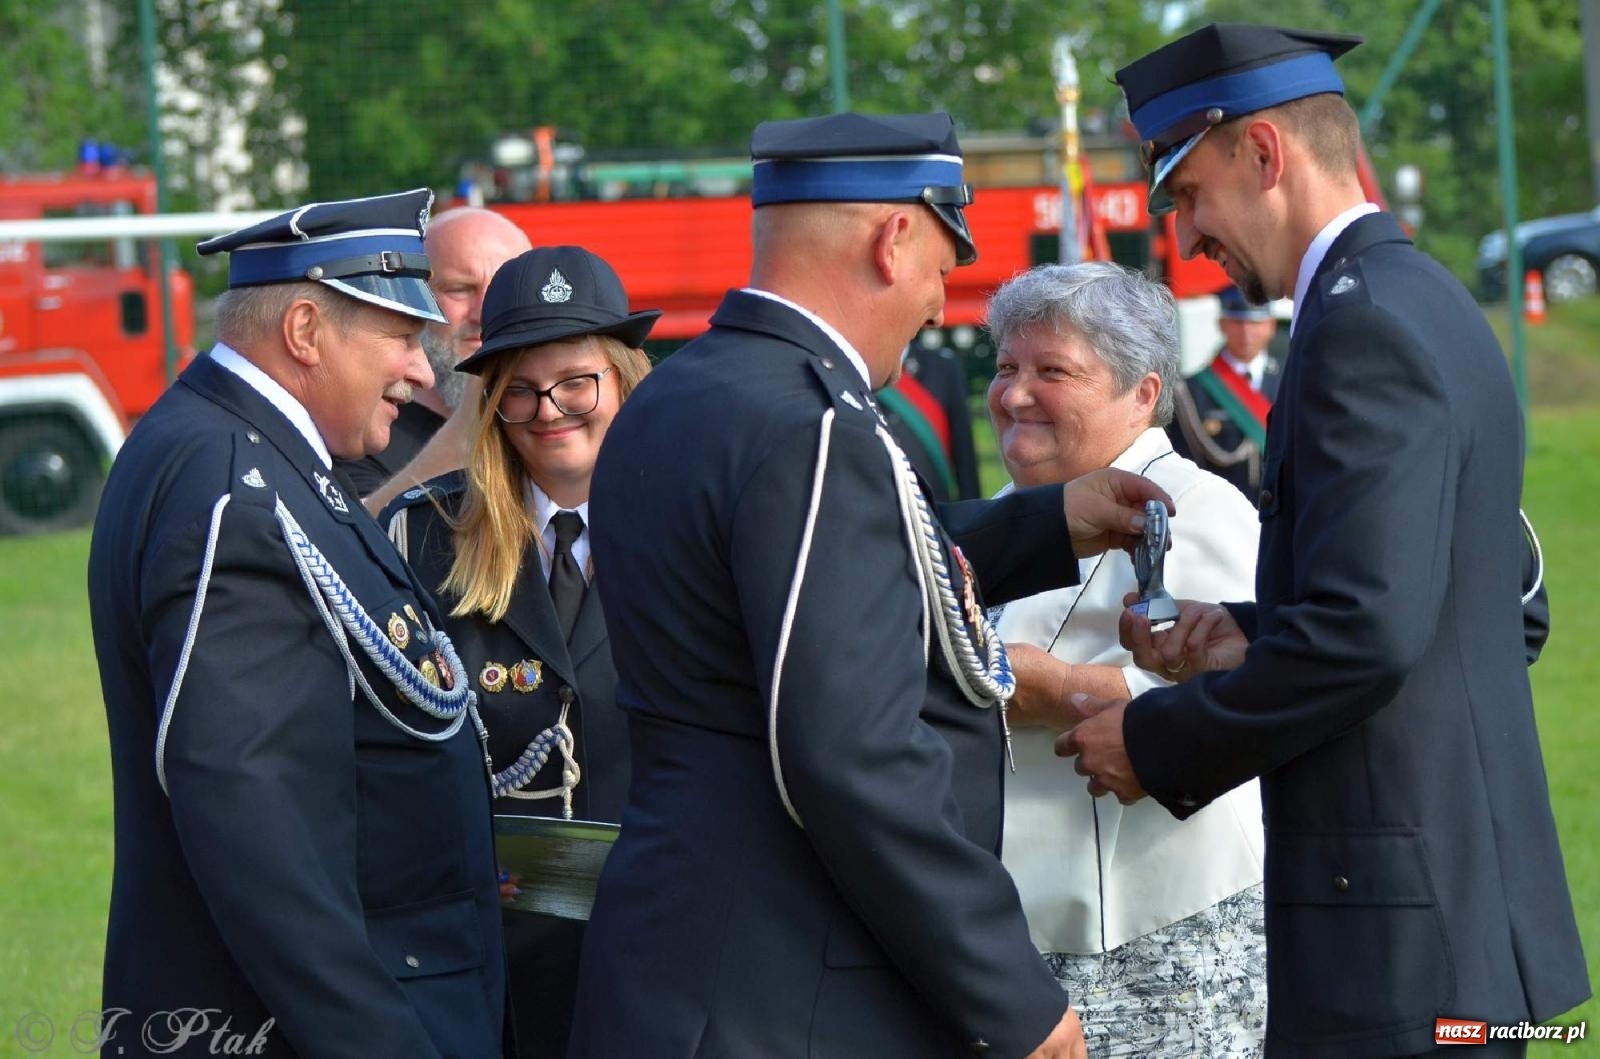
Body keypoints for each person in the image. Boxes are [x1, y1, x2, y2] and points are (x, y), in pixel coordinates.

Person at [569, 111, 1172, 1059]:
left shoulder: (685, 395)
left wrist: (1048, 520)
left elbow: (843, 567)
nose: (940, 301)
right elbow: (853, 756)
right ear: (894, 240)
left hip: (687, 958)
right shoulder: (816, 426)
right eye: (943, 264)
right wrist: (1010, 993)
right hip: (791, 986)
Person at [1061, 24, 1589, 1057]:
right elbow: (1476, 605)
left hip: (1398, 934)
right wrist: (1245, 634)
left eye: (1188, 194)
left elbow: (1370, 633)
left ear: (1262, 153)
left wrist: (1156, 740)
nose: (1187, 237)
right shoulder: (1421, 300)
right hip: (1449, 922)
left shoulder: (1360, 328)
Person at [87, 189, 505, 1057]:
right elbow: (258, 833)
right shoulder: (233, 482)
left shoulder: (241, 452)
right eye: (399, 336)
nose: (425, 370)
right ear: (306, 331)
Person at [382, 245, 656, 1059]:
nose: (550, 410)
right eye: (521, 391)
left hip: (657, 946)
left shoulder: (697, 526)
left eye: (576, 382)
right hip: (489, 959)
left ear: (624, 379)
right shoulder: (423, 534)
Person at [986, 261, 1266, 1057]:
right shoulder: (1006, 516)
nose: (1013, 393)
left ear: (1143, 393)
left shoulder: (1197, 506)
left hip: (1157, 946)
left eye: (1053, 370)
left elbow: (1244, 700)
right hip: (1020, 944)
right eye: (1006, 366)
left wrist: (1054, 688)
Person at [336, 206, 531, 497]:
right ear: (412, 301)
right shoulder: (362, 440)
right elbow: (357, 536)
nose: (486, 314)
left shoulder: (554, 426)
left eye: (507, 291)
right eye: (460, 290)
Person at [1167, 285, 1283, 500]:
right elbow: (1184, 464)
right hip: (1222, 513)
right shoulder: (1191, 391)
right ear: (1221, 325)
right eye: (1238, 322)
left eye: (1255, 323)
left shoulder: (1291, 379)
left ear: (1271, 326)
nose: (1247, 333)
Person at [879, 339, 982, 500]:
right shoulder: (854, 364)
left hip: (933, 507)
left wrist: (973, 510)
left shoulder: (942, 366)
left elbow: (963, 448)